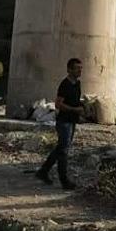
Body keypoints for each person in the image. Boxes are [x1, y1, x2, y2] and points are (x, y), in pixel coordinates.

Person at [36, 58, 84, 189]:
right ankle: (64, 181)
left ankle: (43, 171)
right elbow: (58, 104)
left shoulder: (77, 84)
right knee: (63, 151)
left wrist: (81, 109)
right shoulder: (65, 84)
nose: (80, 70)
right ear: (69, 70)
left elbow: (75, 101)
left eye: (81, 68)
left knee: (61, 148)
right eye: (77, 68)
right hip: (64, 121)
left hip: (72, 120)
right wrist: (74, 109)